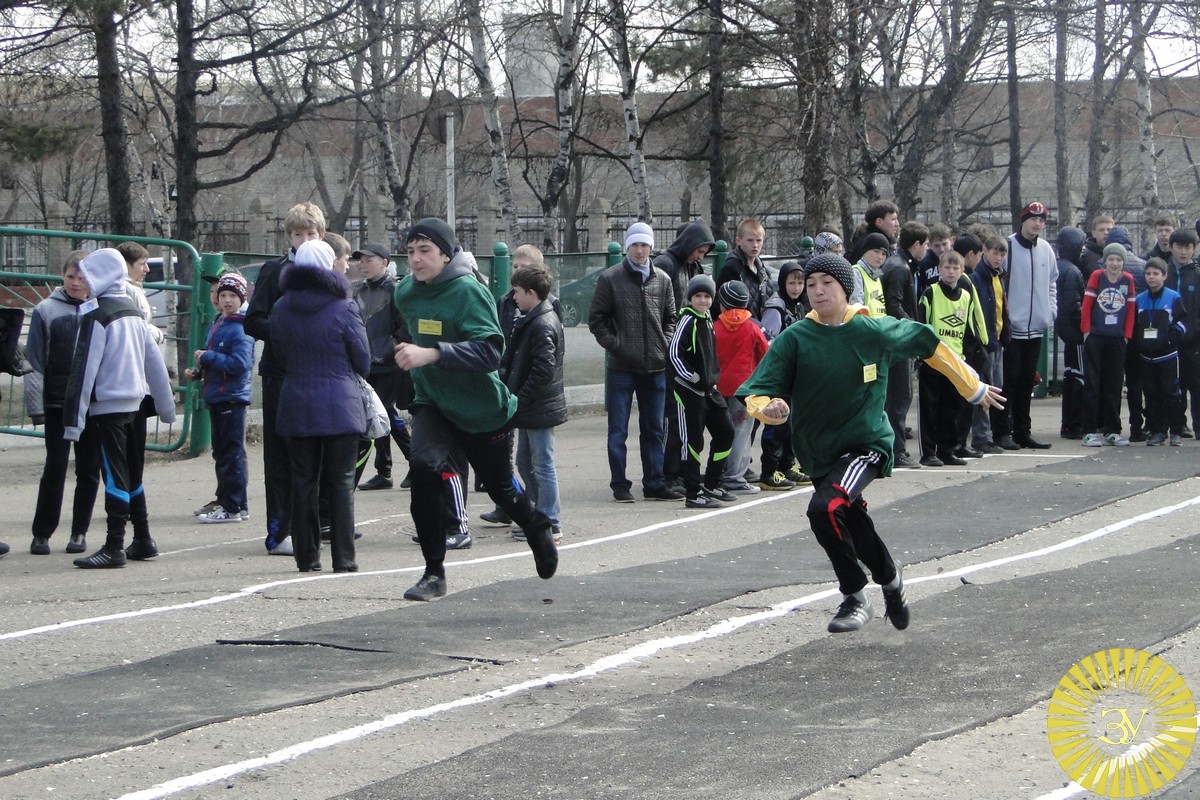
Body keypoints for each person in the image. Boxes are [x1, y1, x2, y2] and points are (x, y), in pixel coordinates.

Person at [737, 253, 1004, 633]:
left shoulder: (872, 330)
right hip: (820, 454)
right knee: (852, 521)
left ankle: (855, 597)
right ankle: (892, 580)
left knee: (824, 509)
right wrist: (769, 409)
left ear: (845, 289)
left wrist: (972, 386)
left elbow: (927, 341)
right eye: (810, 285)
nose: (817, 291)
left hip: (867, 445)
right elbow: (757, 390)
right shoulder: (795, 338)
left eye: (826, 283)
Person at [393, 217, 557, 601]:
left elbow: (490, 351)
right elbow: (409, 331)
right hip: (433, 403)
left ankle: (536, 526)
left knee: (501, 489)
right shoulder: (405, 293)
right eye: (411, 252)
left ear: (446, 254)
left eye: (425, 251)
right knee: (423, 469)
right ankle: (434, 573)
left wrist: (432, 353)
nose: (416, 260)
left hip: (481, 408)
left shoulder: (468, 292)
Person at [63, 248, 177, 568]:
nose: (83, 281)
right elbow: (153, 361)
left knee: (114, 475)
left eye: (86, 275)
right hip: (137, 403)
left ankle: (115, 545)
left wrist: (73, 421)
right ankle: (142, 537)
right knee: (133, 472)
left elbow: (84, 371)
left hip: (108, 409)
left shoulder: (96, 316)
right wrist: (166, 407)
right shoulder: (131, 309)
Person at [269, 240, 369, 573]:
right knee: (341, 481)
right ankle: (344, 558)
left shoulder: (282, 306)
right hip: (340, 402)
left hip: (296, 400)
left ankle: (306, 556)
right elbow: (363, 360)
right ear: (328, 265)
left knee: (302, 481)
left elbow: (281, 354)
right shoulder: (344, 306)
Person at [244, 202, 326, 557]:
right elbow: (253, 320)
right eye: (297, 234)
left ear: (321, 235)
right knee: (280, 453)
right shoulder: (274, 271)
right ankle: (279, 530)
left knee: (315, 452)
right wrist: (286, 333)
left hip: (319, 375)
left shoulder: (329, 273)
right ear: (288, 237)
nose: (304, 239)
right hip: (281, 373)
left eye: (310, 233)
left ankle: (313, 523)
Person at [588, 221, 680, 503]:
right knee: (618, 429)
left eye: (645, 245)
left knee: (654, 428)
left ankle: (654, 482)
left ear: (651, 247)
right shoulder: (610, 278)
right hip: (621, 368)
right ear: (627, 246)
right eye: (635, 245)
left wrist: (663, 344)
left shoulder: (662, 280)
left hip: (655, 368)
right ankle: (620, 483)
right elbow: (597, 319)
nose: (640, 250)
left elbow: (671, 318)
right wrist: (617, 346)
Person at [25, 250, 100, 555]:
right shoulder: (45, 311)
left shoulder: (99, 308)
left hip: (92, 403)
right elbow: (34, 362)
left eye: (82, 277)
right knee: (55, 465)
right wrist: (37, 406)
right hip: (57, 403)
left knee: (88, 468)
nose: (76, 283)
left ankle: (79, 532)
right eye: (71, 276)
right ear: (62, 276)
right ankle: (42, 533)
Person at [500, 265, 567, 542]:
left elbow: (543, 369)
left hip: (538, 406)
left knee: (542, 463)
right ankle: (538, 514)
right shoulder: (532, 318)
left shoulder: (541, 323)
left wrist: (520, 398)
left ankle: (550, 521)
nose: (513, 297)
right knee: (525, 461)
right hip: (532, 406)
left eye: (517, 292)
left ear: (531, 293)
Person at [184, 273, 253, 524]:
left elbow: (240, 364)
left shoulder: (240, 327)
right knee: (222, 453)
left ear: (241, 298)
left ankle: (233, 506)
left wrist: (208, 358)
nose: (225, 300)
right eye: (222, 295)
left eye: (231, 296)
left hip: (231, 398)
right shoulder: (220, 322)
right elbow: (215, 357)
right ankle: (228, 501)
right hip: (217, 396)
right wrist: (198, 372)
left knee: (231, 454)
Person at [668, 275, 737, 509]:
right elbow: (674, 354)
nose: (703, 300)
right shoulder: (687, 320)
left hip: (709, 390)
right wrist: (693, 377)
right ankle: (693, 492)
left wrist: (711, 379)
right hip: (689, 392)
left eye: (707, 296)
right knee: (692, 443)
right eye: (698, 296)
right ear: (690, 298)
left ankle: (712, 481)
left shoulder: (708, 318)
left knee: (726, 432)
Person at [995, 202, 1056, 450]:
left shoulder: (1046, 249)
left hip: (1035, 327)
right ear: (1023, 220)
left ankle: (1023, 430)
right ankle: (1002, 430)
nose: (1037, 223)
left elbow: (1052, 283)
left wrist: (1050, 312)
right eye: (1033, 218)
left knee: (1027, 381)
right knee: (1008, 380)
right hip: (1012, 327)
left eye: (1041, 219)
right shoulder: (1008, 246)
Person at [917, 251, 987, 466]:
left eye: (955, 268)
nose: (951, 271)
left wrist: (968, 355)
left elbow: (970, 328)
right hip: (933, 361)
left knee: (951, 409)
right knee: (930, 409)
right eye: (947, 267)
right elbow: (922, 324)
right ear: (939, 269)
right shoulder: (930, 293)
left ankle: (947, 449)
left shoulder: (965, 297)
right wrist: (923, 355)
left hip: (956, 362)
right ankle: (928, 453)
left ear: (962, 271)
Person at [351, 242, 410, 491]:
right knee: (376, 415)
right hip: (367, 365)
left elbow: (404, 328)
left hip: (388, 365)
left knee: (384, 412)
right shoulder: (359, 292)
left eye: (370, 260)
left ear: (384, 262)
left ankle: (414, 461)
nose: (364, 265)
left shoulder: (395, 291)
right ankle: (384, 471)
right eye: (361, 261)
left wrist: (390, 350)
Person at [714, 280, 770, 494]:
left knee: (722, 433)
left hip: (718, 388)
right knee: (741, 433)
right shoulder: (752, 328)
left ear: (722, 304)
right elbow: (765, 355)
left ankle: (718, 473)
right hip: (745, 389)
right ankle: (735, 477)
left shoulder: (715, 328)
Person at [881, 222, 929, 469]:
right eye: (926, 244)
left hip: (897, 339)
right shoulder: (900, 268)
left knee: (897, 396)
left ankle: (894, 448)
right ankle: (897, 450)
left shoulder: (900, 264)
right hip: (899, 340)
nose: (927, 249)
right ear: (917, 244)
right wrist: (913, 328)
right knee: (900, 396)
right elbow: (895, 304)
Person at [1080, 243, 1136, 447]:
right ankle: (1088, 431)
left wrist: (1126, 335)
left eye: (1118, 260)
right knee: (1093, 384)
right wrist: (1086, 331)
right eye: (1111, 259)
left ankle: (1112, 430)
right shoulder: (1097, 276)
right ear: (1105, 261)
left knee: (1114, 385)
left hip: (1117, 339)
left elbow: (1130, 310)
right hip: (1096, 336)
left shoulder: (1128, 280)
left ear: (1123, 262)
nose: (1114, 263)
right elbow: (1087, 306)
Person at [759, 261, 809, 486]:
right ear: (783, 283)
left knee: (791, 423)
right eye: (792, 282)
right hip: (779, 374)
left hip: (794, 375)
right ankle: (769, 471)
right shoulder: (776, 307)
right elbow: (768, 341)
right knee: (775, 423)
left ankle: (787, 466)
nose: (797, 287)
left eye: (800, 283)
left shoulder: (798, 305)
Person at [1135, 258, 1186, 446]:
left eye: (1156, 274)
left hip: (1168, 356)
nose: (1151, 277)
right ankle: (1157, 431)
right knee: (1151, 395)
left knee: (1171, 394)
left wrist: (1170, 339)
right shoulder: (1140, 299)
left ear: (1164, 276)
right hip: (1146, 357)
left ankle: (1176, 431)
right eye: (1148, 274)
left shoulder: (1173, 297)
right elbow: (1134, 325)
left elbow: (1181, 323)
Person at [970, 236, 1011, 454]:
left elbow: (1001, 308)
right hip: (984, 342)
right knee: (984, 388)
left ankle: (991, 434)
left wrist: (1006, 333)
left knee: (996, 386)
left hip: (996, 341)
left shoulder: (999, 277)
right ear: (985, 251)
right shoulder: (977, 278)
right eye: (995, 253)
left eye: (1002, 254)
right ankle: (980, 436)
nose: (998, 258)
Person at [1165, 229, 1200, 437]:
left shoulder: (1196, 275)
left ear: (1194, 249)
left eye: (1188, 247)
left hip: (1194, 341)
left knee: (1196, 385)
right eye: (1179, 247)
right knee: (1173, 387)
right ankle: (1178, 426)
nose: (1183, 252)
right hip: (1169, 341)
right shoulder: (1164, 273)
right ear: (1171, 248)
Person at [1055, 226, 1087, 440]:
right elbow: (1073, 306)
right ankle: (1074, 424)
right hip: (1076, 334)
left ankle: (1069, 424)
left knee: (1070, 376)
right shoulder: (1073, 272)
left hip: (1066, 331)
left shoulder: (1059, 267)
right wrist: (1085, 326)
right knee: (1079, 378)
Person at [715, 219, 774, 320]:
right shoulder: (732, 269)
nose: (755, 245)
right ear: (739, 241)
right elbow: (721, 305)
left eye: (759, 240)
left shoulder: (763, 271)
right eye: (750, 240)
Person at [654, 219, 716, 313]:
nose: (701, 257)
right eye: (699, 251)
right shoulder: (664, 264)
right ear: (690, 245)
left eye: (704, 253)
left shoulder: (694, 267)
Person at [850, 232, 889, 316]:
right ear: (865, 251)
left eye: (884, 254)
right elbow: (856, 306)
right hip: (865, 326)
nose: (880, 257)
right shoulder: (856, 272)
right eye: (876, 251)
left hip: (879, 326)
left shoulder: (878, 275)